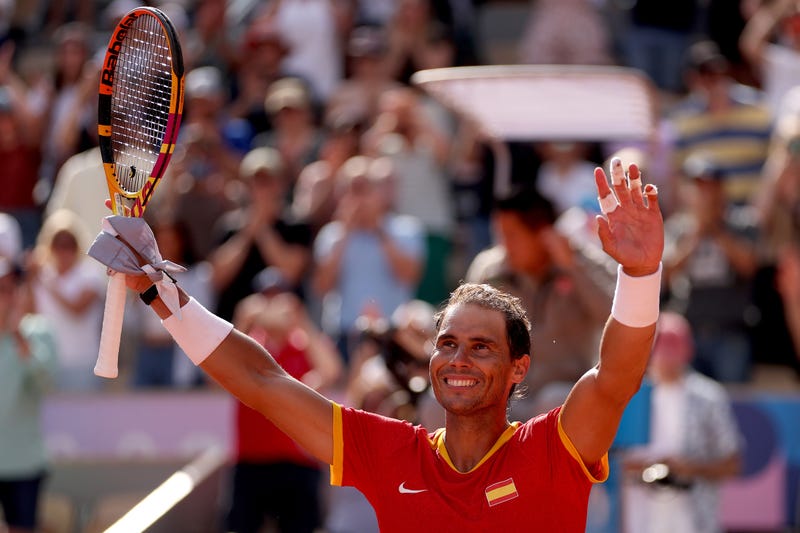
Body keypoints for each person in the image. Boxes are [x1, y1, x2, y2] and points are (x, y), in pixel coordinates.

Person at [93, 157, 664, 531]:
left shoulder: (552, 451)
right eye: (447, 343)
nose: (459, 358)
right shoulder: (392, 454)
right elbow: (262, 381)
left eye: (482, 347)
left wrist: (640, 275)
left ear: (520, 369)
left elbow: (615, 377)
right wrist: (161, 294)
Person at [462, 186, 615, 421]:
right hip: (506, 395)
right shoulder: (489, 270)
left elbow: (615, 319)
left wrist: (571, 268)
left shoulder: (584, 263)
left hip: (565, 394)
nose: (504, 246)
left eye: (511, 236)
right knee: (445, 399)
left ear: (543, 234)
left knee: (553, 400)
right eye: (500, 235)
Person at [225, 271, 342, 533]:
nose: (273, 307)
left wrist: (301, 320)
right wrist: (242, 321)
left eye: (279, 298)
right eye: (265, 298)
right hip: (250, 462)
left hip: (298, 463)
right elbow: (216, 372)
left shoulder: (304, 342)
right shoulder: (247, 344)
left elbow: (331, 371)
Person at [621, 311, 742, 533]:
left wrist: (689, 468)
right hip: (638, 518)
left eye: (674, 346)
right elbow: (605, 461)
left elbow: (732, 463)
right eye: (662, 346)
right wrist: (640, 467)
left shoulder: (709, 397)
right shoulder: (629, 395)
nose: (667, 355)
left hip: (694, 519)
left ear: (688, 349)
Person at [0, 257, 58, 533]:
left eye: (9, 288)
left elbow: (46, 383)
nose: (4, 297)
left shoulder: (39, 332)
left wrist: (19, 337)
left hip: (25, 464)